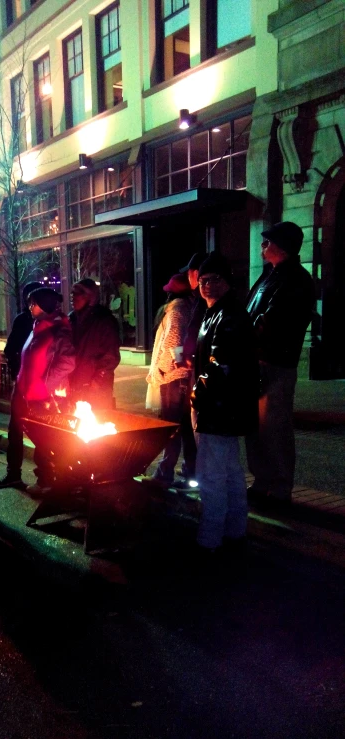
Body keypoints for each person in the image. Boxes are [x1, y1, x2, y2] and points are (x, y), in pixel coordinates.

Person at [191, 253, 258, 554]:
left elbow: (220, 364)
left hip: (219, 407)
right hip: (227, 407)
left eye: (214, 279)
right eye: (203, 280)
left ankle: (210, 538)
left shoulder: (227, 315)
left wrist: (196, 395)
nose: (207, 285)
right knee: (230, 471)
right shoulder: (218, 311)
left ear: (227, 281)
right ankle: (234, 530)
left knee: (211, 474)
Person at [245, 222, 315, 509]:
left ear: (281, 246)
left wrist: (243, 336)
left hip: (276, 362)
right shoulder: (269, 276)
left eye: (267, 242)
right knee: (255, 426)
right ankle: (262, 482)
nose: (262, 247)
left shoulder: (296, 280)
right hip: (256, 360)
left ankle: (281, 487)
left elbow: (272, 321)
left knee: (274, 426)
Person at [15, 287, 76, 494]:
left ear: (45, 305)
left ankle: (55, 482)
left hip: (48, 398)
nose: (30, 306)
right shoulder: (38, 326)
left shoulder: (58, 330)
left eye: (34, 303)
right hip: (33, 395)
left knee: (51, 441)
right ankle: (47, 480)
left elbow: (67, 362)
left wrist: (45, 385)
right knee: (41, 440)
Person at [143, 273, 196, 488]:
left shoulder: (176, 311)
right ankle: (191, 471)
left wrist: (162, 371)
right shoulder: (189, 308)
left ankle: (166, 472)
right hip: (181, 378)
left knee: (171, 427)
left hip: (173, 379)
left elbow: (173, 342)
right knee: (184, 428)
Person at [0, 280, 42, 490]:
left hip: (40, 388)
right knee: (17, 428)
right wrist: (18, 371)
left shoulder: (50, 322)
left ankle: (46, 476)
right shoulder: (25, 320)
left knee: (39, 430)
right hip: (26, 385)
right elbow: (11, 348)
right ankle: (15, 473)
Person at [68, 278, 121, 410]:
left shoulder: (104, 320)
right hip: (75, 384)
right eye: (72, 294)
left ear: (90, 296)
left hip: (96, 388)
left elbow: (110, 356)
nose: (73, 297)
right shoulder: (71, 319)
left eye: (78, 294)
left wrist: (97, 382)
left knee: (98, 422)